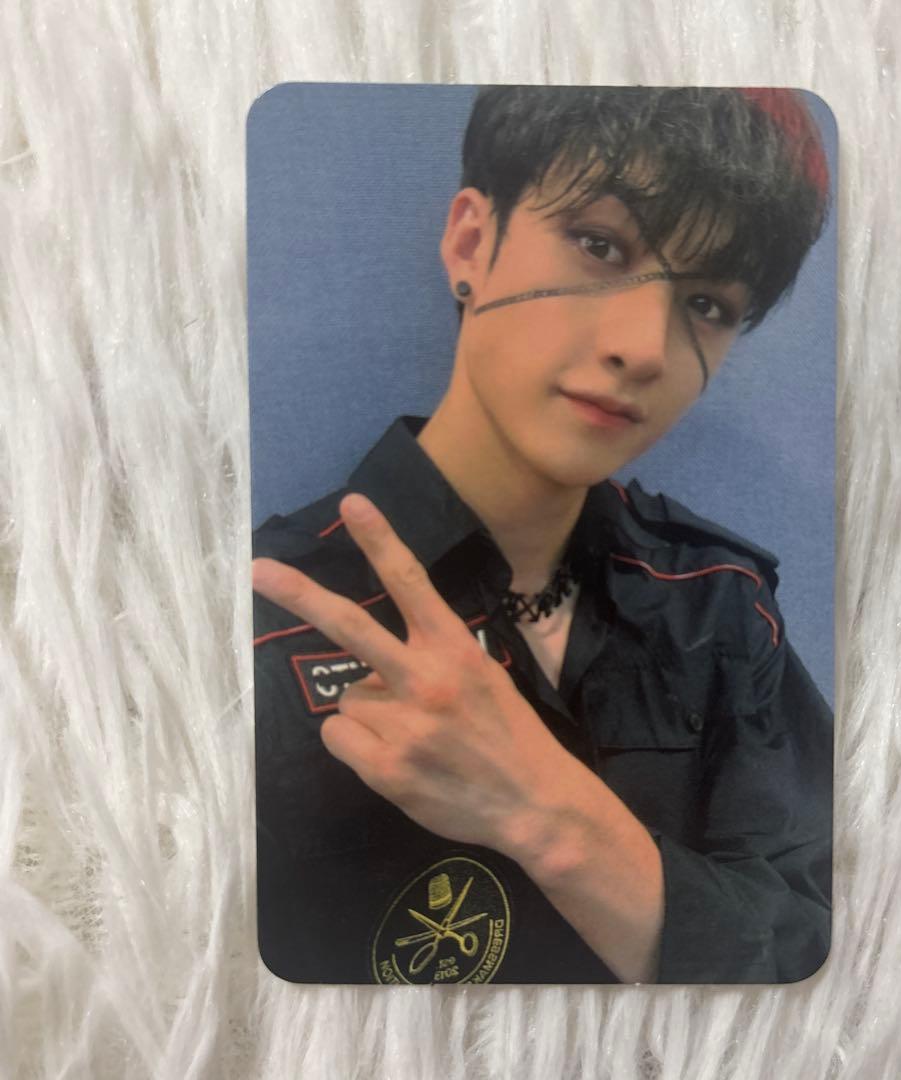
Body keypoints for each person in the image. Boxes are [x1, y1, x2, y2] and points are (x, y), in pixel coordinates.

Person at [251, 85, 833, 986]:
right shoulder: (268, 619)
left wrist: (549, 816)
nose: (646, 347)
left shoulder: (717, 602)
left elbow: (821, 949)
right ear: (471, 245)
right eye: (600, 246)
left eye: (708, 304)